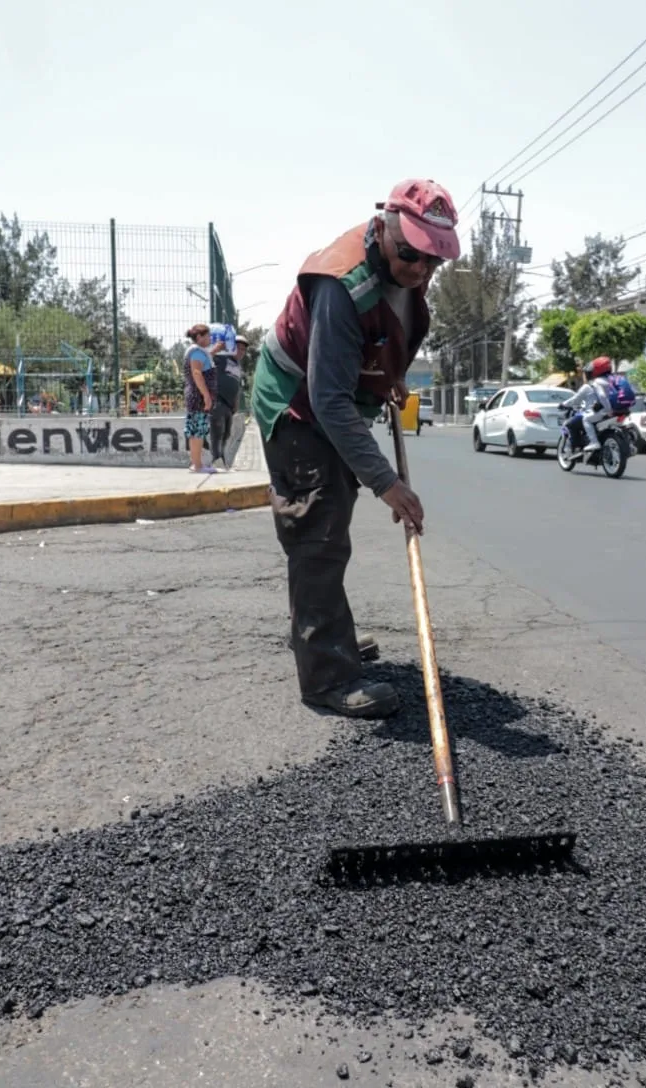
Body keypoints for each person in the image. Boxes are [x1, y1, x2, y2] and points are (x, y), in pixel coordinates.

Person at [251, 178, 461, 719]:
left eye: (431, 261)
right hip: (297, 403)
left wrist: (385, 377)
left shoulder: (404, 271)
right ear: (384, 226)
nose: (419, 270)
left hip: (335, 399)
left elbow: (380, 339)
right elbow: (327, 400)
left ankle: (319, 633)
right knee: (318, 529)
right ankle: (326, 675)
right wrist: (385, 482)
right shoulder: (339, 285)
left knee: (331, 520)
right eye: (410, 253)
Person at [184, 324, 218, 474]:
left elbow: (206, 358)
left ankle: (196, 463)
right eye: (208, 336)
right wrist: (206, 396)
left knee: (196, 430)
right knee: (198, 431)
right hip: (198, 397)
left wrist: (215, 349)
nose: (210, 338)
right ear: (199, 337)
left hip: (196, 396)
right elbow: (197, 373)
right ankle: (198, 465)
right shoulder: (197, 353)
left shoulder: (198, 351)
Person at [210, 336, 246, 470]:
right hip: (218, 401)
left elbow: (237, 385)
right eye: (238, 348)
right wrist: (217, 349)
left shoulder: (238, 366)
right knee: (217, 432)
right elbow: (207, 358)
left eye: (243, 350)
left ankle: (221, 461)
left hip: (230, 406)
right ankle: (216, 461)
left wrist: (236, 402)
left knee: (226, 435)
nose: (241, 352)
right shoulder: (222, 358)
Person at [577, 356, 614, 453]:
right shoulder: (615, 379)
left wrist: (608, 410)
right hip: (621, 409)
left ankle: (594, 442)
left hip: (607, 410)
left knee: (586, 419)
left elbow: (602, 396)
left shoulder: (597, 382)